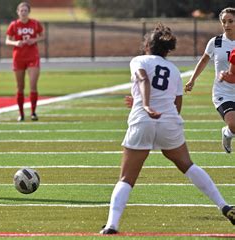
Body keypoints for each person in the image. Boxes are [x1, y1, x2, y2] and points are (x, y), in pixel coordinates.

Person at [100, 24, 235, 234]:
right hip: (169, 121)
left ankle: (111, 225)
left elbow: (144, 79)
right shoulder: (173, 70)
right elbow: (176, 103)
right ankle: (224, 205)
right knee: (188, 166)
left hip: (142, 120)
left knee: (126, 178)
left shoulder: (139, 60)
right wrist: (165, 119)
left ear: (147, 45)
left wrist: (144, 104)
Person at [185, 7, 235, 154]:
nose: (227, 25)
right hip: (223, 92)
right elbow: (204, 60)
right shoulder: (216, 42)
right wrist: (192, 79)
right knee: (233, 123)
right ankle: (227, 133)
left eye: (231, 21)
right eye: (224, 22)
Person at [5, 2, 44, 121]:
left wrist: (34, 40)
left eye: (25, 10)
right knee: (20, 86)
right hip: (19, 57)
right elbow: (7, 40)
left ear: (29, 12)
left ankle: (33, 112)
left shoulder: (35, 23)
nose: (23, 13)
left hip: (32, 56)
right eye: (21, 11)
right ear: (18, 12)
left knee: (33, 85)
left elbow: (42, 36)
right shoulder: (14, 25)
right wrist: (15, 43)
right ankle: (21, 114)